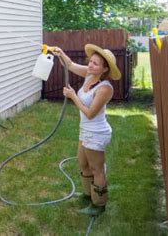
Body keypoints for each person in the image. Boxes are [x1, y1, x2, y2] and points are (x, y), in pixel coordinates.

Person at [53, 44, 121, 216]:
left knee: (96, 168)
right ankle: (88, 194)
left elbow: (90, 113)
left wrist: (73, 96)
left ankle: (99, 204)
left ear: (104, 69)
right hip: (85, 130)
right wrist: (60, 52)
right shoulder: (89, 75)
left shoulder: (105, 88)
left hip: (97, 132)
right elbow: (70, 65)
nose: (90, 65)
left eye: (95, 64)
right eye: (90, 62)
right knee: (82, 163)